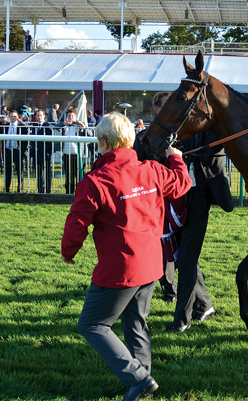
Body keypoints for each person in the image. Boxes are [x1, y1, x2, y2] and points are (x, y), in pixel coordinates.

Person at [61, 112, 192, 401]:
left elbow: (77, 223)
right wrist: (176, 158)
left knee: (92, 324)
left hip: (121, 267)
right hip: (151, 263)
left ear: (104, 143)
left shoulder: (96, 180)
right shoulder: (151, 169)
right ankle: (141, 380)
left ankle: (139, 379)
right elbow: (182, 185)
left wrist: (68, 251)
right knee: (135, 322)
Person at [165, 131, 235, 332]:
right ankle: (204, 305)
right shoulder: (172, 132)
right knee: (186, 255)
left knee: (187, 257)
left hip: (200, 198)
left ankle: (182, 320)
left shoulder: (211, 129)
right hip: (176, 198)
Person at [133, 91, 178, 303]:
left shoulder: (183, 135)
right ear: (157, 110)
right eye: (166, 106)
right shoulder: (143, 138)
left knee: (185, 252)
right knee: (160, 246)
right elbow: (136, 170)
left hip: (180, 200)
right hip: (155, 204)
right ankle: (169, 290)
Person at [60, 108, 93, 194]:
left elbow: (90, 135)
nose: (71, 118)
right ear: (66, 117)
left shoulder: (81, 124)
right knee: (68, 175)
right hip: (67, 154)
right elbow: (56, 127)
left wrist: (84, 127)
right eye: (69, 116)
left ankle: (80, 193)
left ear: (76, 117)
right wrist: (64, 123)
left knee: (79, 176)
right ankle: (69, 193)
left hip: (79, 155)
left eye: (72, 116)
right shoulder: (65, 126)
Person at [2, 110, 27, 192]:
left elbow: (25, 140)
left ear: (17, 117)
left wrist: (21, 148)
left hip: (17, 151)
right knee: (7, 170)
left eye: (15, 116)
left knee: (19, 170)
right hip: (7, 150)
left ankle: (20, 188)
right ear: (9, 117)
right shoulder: (4, 126)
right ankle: (6, 188)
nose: (13, 118)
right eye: (11, 116)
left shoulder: (22, 126)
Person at [33, 109, 54, 193]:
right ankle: (40, 189)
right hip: (36, 153)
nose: (39, 117)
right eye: (38, 115)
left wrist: (49, 152)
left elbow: (50, 141)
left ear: (44, 116)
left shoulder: (48, 126)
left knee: (47, 172)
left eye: (41, 115)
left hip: (45, 153)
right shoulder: (35, 126)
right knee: (38, 172)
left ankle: (47, 189)